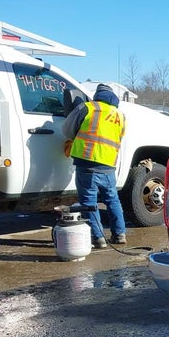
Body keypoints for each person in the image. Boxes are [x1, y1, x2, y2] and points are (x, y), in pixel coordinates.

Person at [62, 84, 127, 249]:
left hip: (87, 163)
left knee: (89, 202)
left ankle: (98, 238)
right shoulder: (120, 115)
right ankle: (119, 234)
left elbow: (67, 130)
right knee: (112, 199)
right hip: (109, 165)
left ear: (97, 95)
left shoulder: (88, 108)